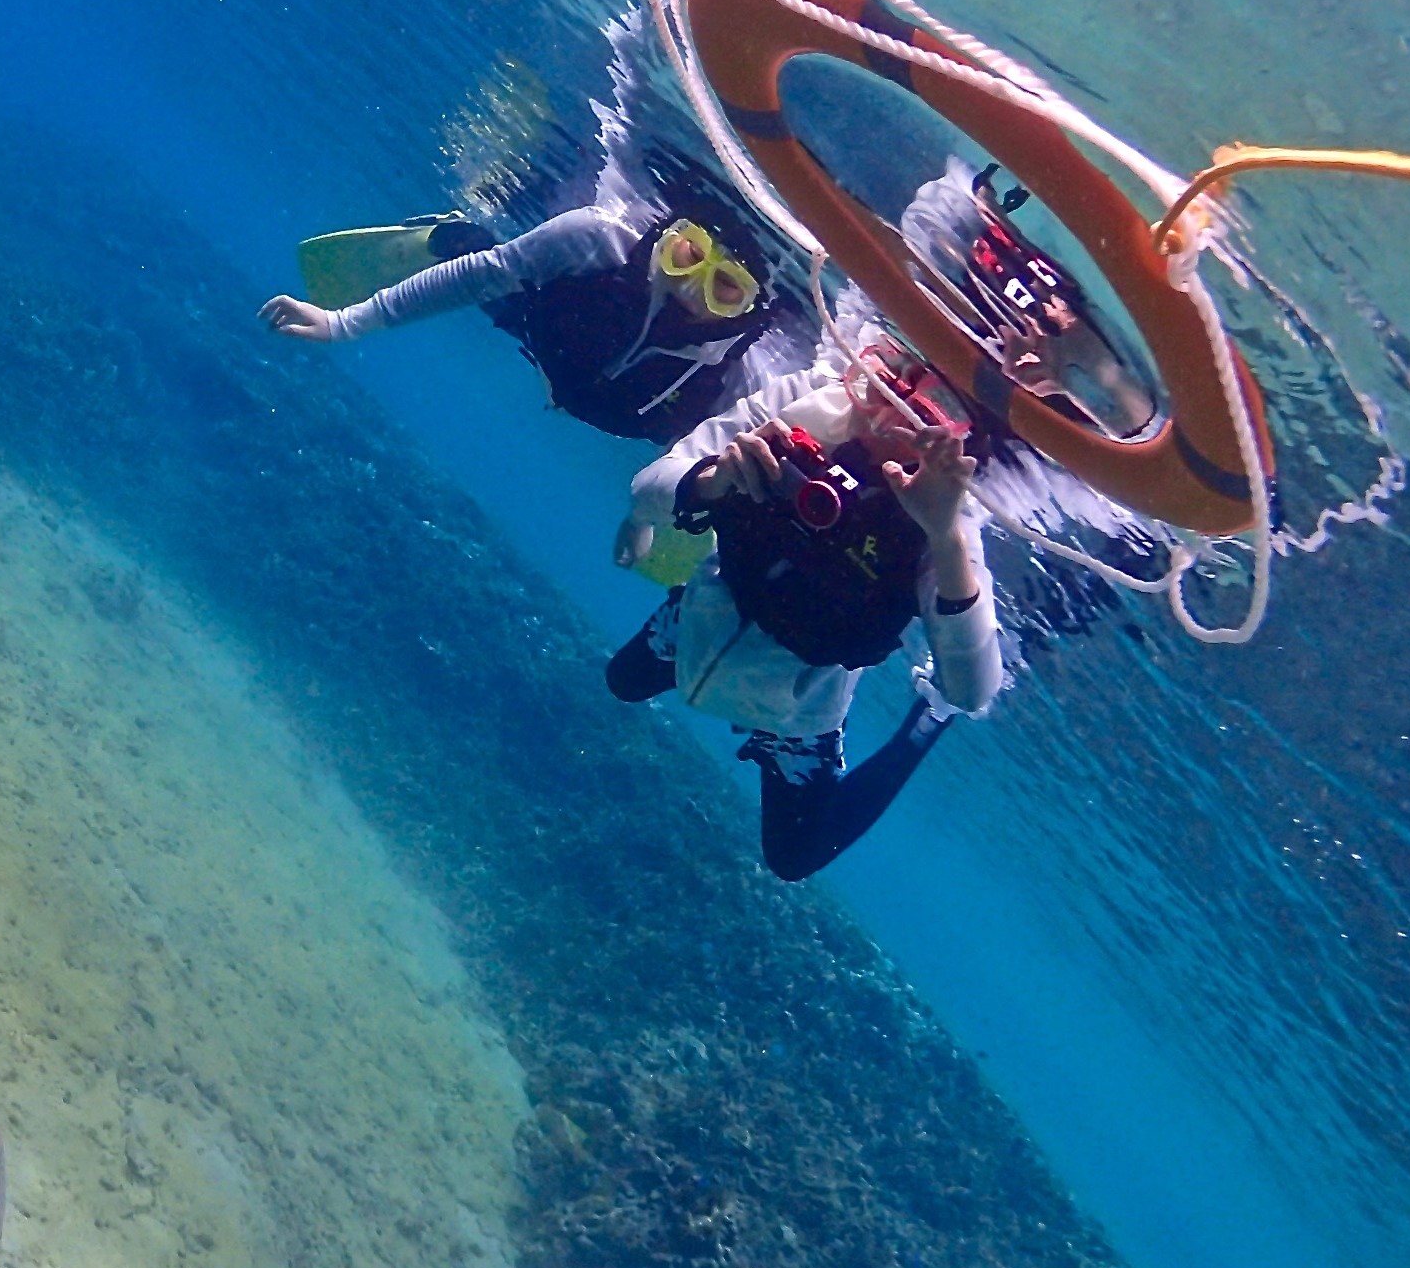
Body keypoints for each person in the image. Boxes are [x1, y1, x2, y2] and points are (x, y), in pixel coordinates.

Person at [604, 334, 1005, 882]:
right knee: (622, 681)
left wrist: (943, 536)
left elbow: (973, 691)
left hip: (799, 715)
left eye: (930, 410)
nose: (887, 411)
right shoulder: (807, 400)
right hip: (701, 619)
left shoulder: (949, 516)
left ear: (954, 441)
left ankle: (927, 721)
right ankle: (686, 609)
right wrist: (714, 481)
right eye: (887, 379)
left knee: (793, 857)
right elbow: (653, 481)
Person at [259, 203, 776, 445]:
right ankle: (444, 233)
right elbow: (480, 276)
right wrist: (345, 323)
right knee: (475, 255)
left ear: (749, 307)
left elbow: (733, 446)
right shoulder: (597, 239)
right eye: (690, 256)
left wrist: (662, 509)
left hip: (627, 409)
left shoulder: (749, 372)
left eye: (724, 286)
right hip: (539, 327)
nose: (690, 285)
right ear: (675, 235)